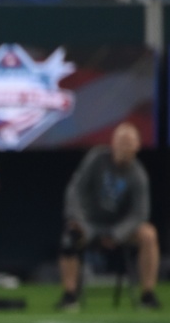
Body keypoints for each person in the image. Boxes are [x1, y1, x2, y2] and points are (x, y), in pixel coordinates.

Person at [57, 121, 161, 311]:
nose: (125, 147)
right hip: (89, 223)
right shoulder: (96, 159)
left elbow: (140, 213)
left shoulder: (138, 175)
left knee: (149, 234)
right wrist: (80, 222)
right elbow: (75, 191)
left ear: (138, 146)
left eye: (129, 143)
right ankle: (70, 295)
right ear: (112, 143)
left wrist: (117, 234)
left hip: (119, 228)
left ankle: (147, 295)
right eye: (121, 142)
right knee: (70, 236)